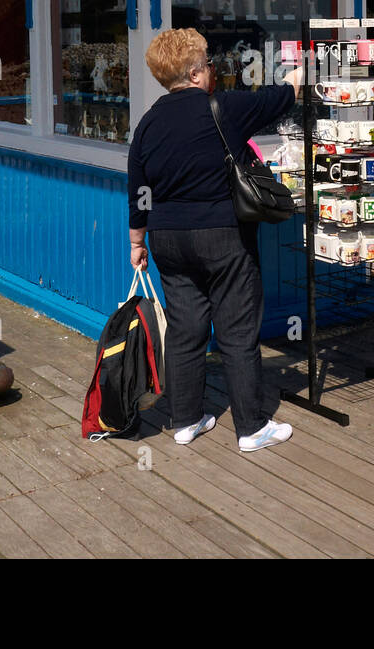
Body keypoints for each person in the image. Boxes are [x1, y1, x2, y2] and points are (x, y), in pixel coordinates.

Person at [127, 28, 302, 453]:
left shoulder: (147, 123)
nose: (213, 71)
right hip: (223, 236)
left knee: (186, 330)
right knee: (237, 331)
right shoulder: (224, 108)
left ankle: (185, 420)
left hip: (167, 238)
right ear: (194, 72)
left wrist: (137, 243)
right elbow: (285, 95)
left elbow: (137, 190)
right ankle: (251, 427)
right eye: (208, 64)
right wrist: (302, 68)